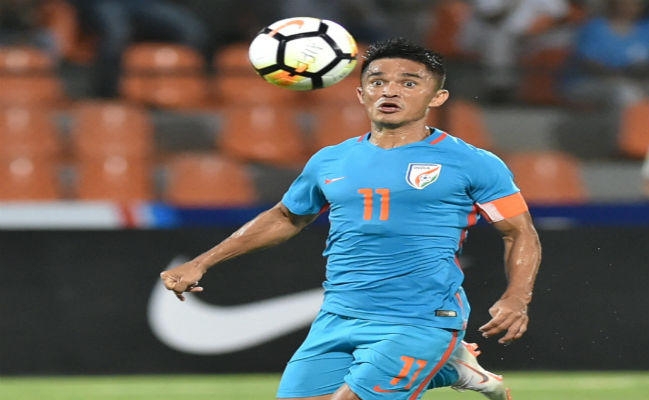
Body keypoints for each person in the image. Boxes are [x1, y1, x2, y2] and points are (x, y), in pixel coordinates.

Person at [160, 37, 541, 400]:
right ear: (361, 94)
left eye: (409, 83)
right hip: (339, 315)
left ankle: (441, 357)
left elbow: (519, 233)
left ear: (437, 97)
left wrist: (516, 298)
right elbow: (286, 217)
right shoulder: (330, 160)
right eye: (377, 82)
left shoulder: (473, 162)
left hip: (421, 318)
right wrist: (202, 262)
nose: (390, 91)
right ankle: (452, 368)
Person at [68, 0, 209, 98]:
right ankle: (107, 94)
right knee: (116, 34)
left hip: (144, 5)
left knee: (192, 32)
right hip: (103, 3)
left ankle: (179, 89)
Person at [560, 0, 649, 110]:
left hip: (636, 80)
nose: (629, 7)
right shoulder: (593, 27)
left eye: (634, 3)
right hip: (589, 81)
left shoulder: (645, 30)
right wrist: (621, 74)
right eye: (624, 3)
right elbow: (588, 63)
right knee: (625, 92)